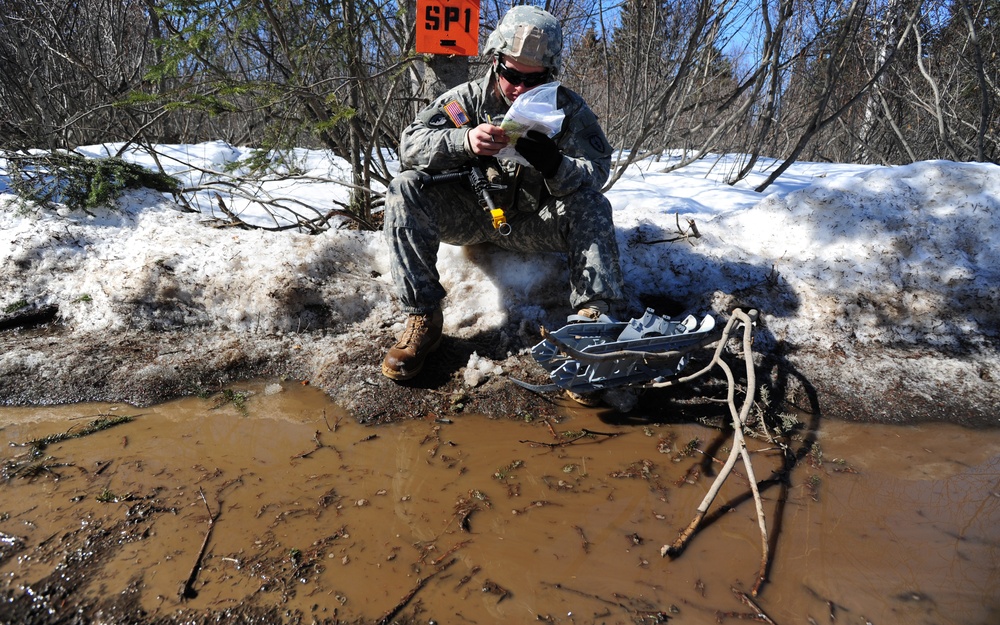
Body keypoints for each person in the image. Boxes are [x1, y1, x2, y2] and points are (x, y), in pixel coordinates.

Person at [382, 5, 624, 382]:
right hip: (470, 215)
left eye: (535, 79)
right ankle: (424, 317)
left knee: (592, 204)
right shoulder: (465, 100)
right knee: (404, 187)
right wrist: (463, 140)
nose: (520, 88)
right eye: (512, 75)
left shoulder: (569, 109)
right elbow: (410, 146)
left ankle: (595, 323)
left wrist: (555, 165)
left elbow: (597, 173)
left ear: (550, 74)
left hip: (532, 221)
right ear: (495, 61)